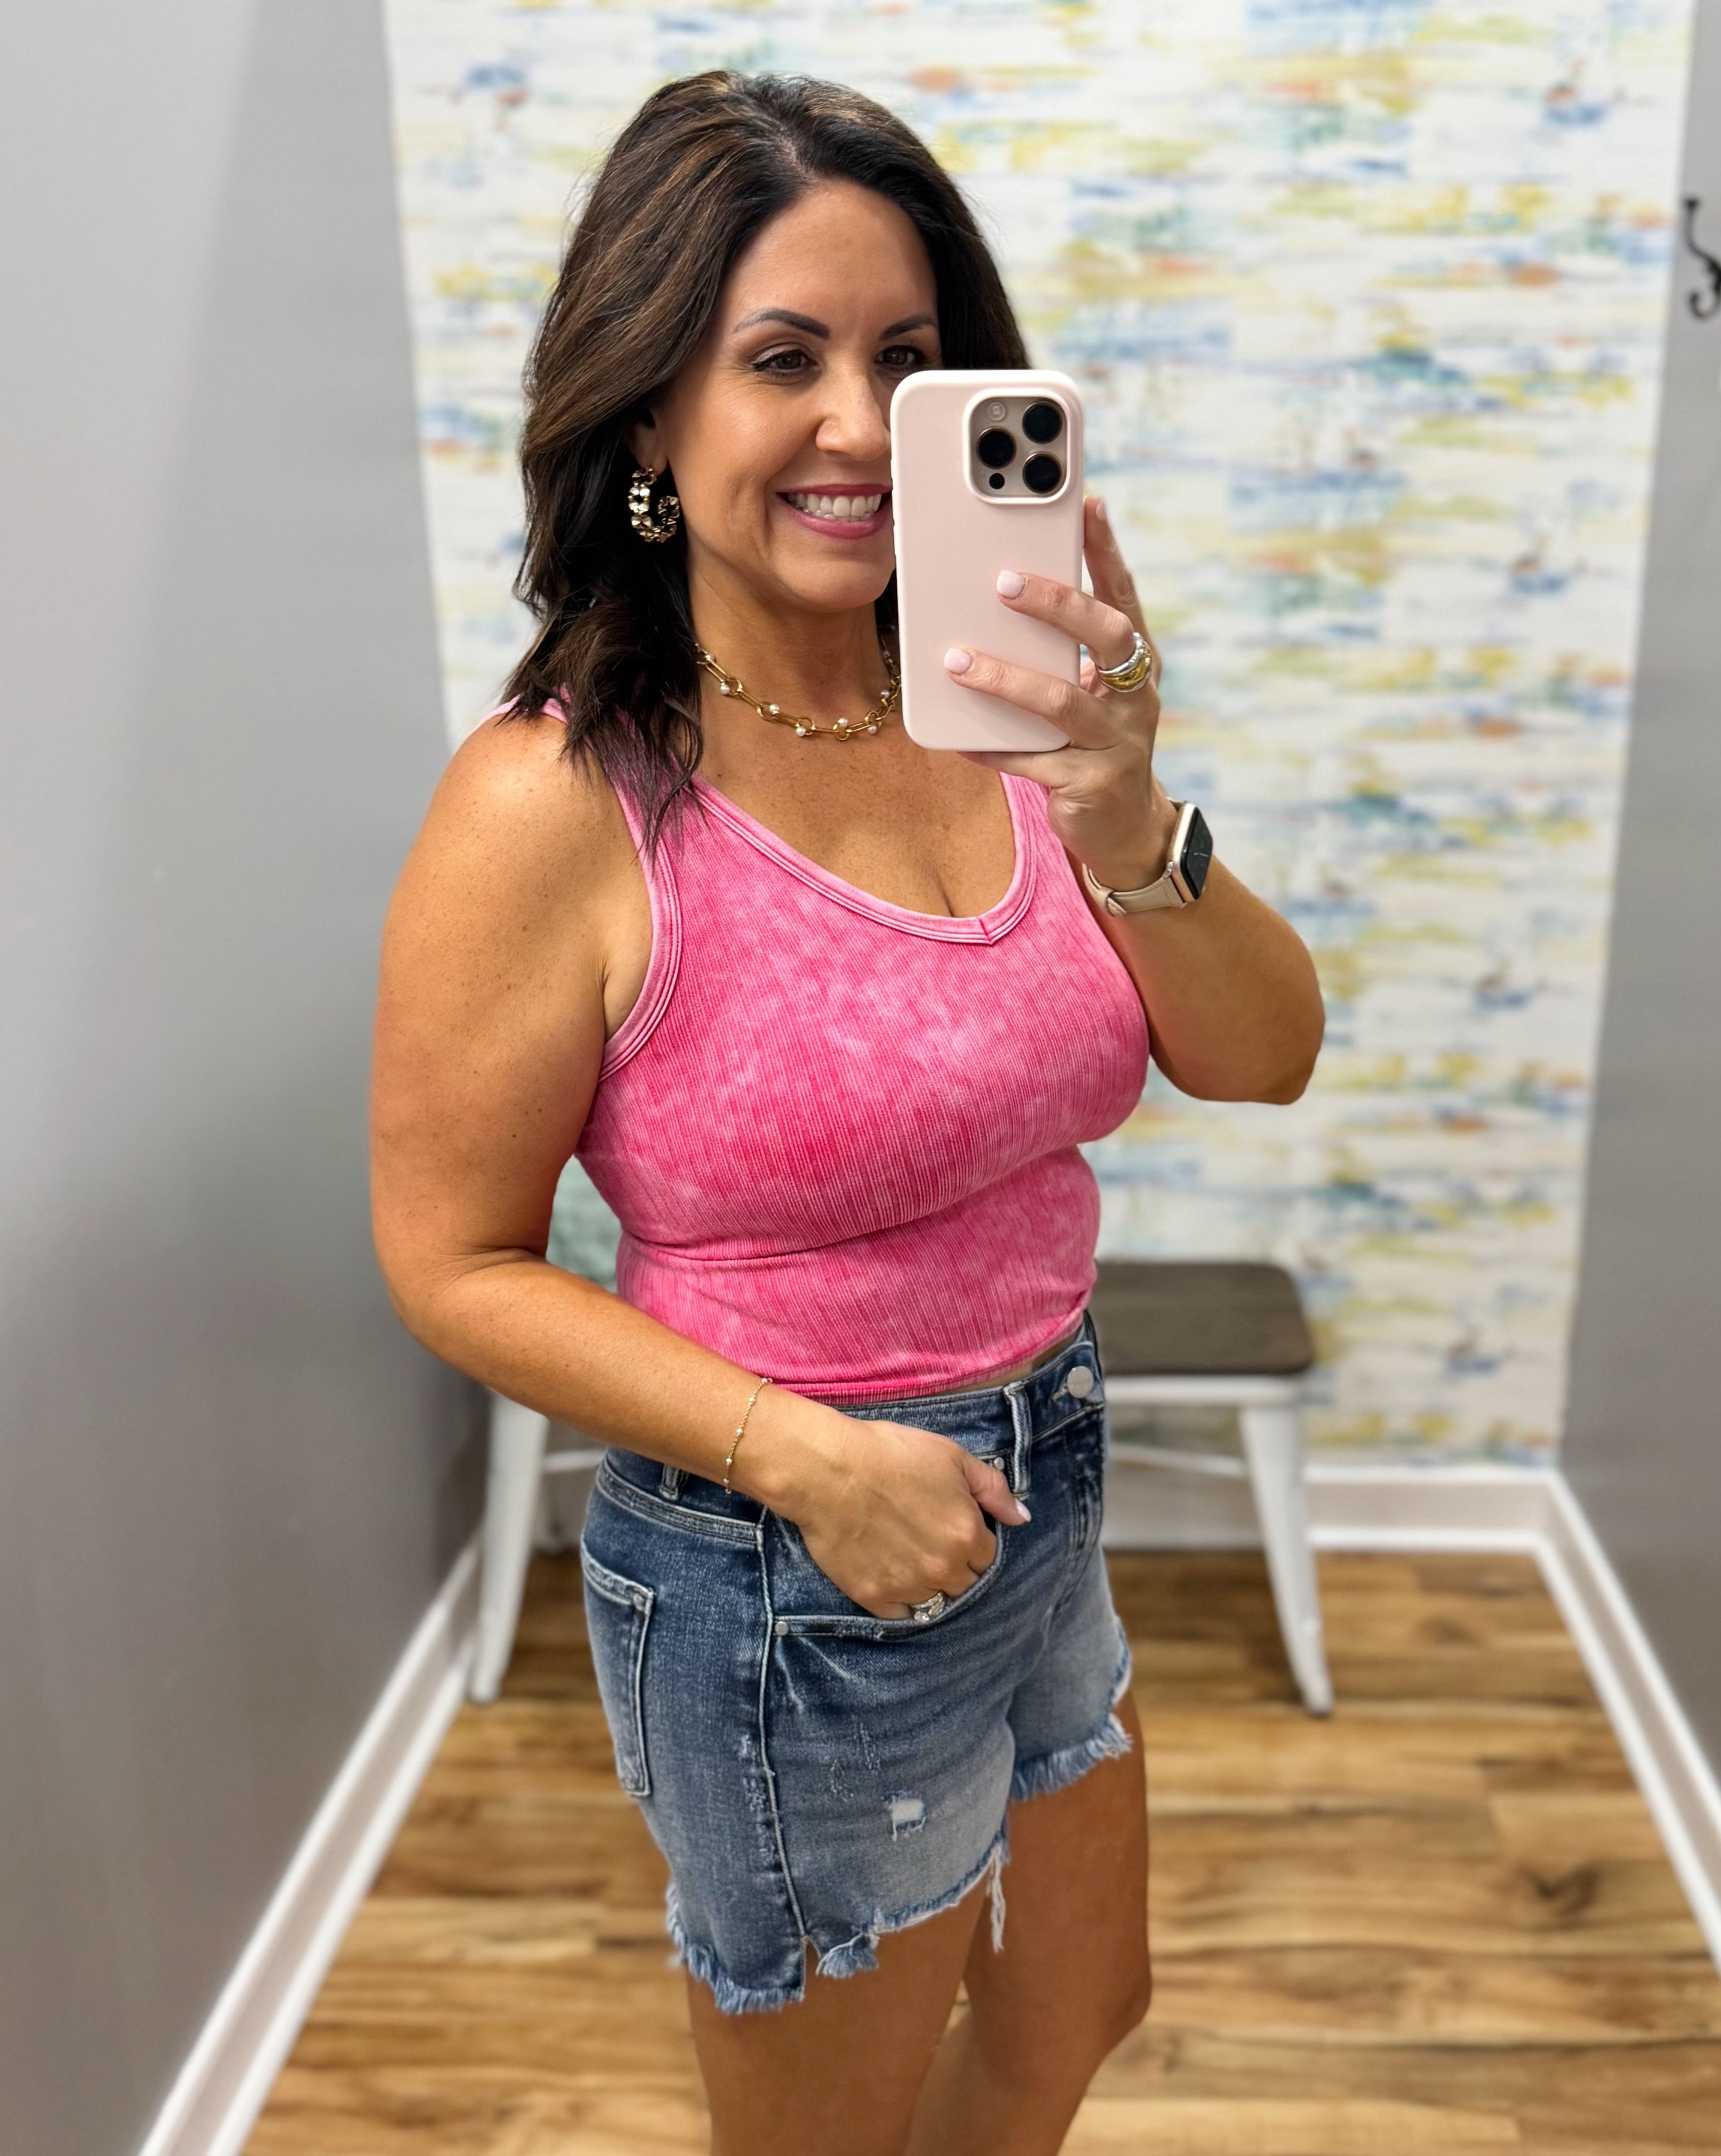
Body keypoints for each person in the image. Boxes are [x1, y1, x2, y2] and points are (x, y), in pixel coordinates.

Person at [371, 69, 1324, 2156]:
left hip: (1042, 1471)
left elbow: (1257, 1052)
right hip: (788, 1551)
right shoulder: (553, 807)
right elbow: (447, 1262)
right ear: (646, 413)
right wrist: (808, 1459)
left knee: (1083, 2000)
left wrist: (1123, 802)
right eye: (777, 359)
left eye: (907, 363)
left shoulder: (1003, 711)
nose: (851, 424)